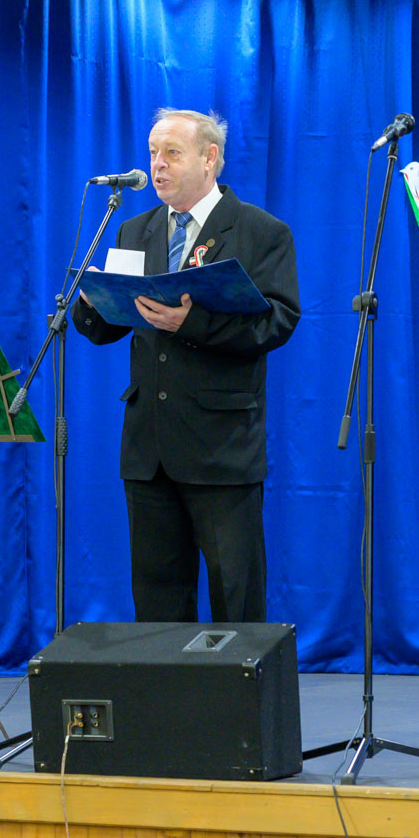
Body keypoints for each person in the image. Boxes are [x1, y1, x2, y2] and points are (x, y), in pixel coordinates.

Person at [71, 108, 299, 624]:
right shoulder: (135, 230)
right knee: (157, 610)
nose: (157, 164)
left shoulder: (260, 231)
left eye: (172, 153)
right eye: (153, 153)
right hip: (149, 449)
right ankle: (164, 683)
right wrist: (91, 305)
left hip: (221, 448)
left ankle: (236, 684)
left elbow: (277, 322)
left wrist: (191, 324)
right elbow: (109, 328)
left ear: (209, 157)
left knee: (235, 602)